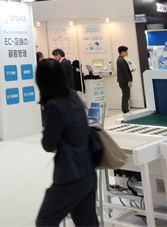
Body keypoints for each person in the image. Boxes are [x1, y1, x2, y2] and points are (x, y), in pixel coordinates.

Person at [34, 58, 98, 227]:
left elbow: (48, 144)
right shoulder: (73, 96)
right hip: (88, 171)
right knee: (87, 223)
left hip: (70, 176)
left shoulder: (54, 106)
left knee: (45, 221)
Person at [116, 46, 133, 114]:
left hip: (122, 81)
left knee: (126, 95)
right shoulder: (121, 60)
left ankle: (125, 109)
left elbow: (125, 71)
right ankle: (125, 109)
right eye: (126, 52)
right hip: (124, 81)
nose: (127, 53)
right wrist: (129, 81)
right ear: (122, 52)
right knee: (126, 95)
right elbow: (124, 72)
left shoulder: (120, 59)